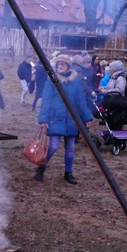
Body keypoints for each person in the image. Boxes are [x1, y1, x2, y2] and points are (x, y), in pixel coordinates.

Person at [34, 54, 93, 185]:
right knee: (54, 146)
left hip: (72, 120)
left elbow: (81, 102)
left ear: (68, 66)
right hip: (56, 118)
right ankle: (41, 167)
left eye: (63, 64)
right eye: (58, 64)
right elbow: (46, 101)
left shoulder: (75, 82)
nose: (60, 66)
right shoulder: (52, 81)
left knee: (70, 148)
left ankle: (68, 173)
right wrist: (43, 119)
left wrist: (87, 117)